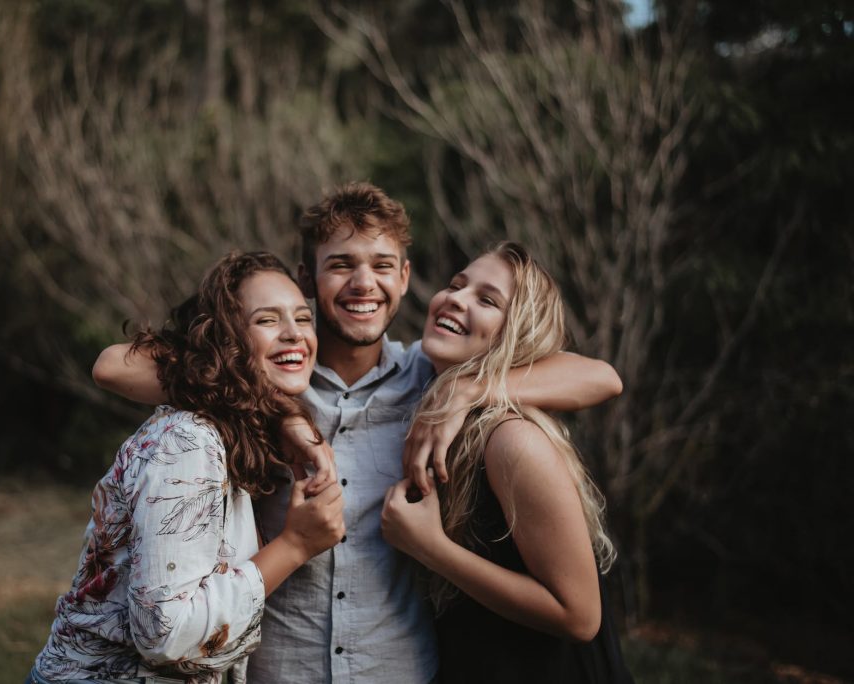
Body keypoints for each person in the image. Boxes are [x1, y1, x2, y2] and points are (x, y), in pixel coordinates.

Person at [93, 182, 623, 683]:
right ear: (307, 278)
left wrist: (469, 391)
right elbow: (114, 366)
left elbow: (601, 376)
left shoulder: (429, 376)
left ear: (405, 277)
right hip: (279, 671)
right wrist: (282, 414)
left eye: (382, 266)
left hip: (399, 669)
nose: (363, 283)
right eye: (341, 264)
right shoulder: (267, 371)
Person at [27, 251, 346, 684]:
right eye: (268, 320)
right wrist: (296, 545)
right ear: (229, 339)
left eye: (303, 318)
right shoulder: (188, 441)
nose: (293, 333)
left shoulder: (235, 432)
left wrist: (283, 416)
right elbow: (166, 637)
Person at [380, 242, 634, 683]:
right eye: (456, 285)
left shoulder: (510, 441)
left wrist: (431, 548)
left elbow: (580, 617)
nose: (456, 298)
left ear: (515, 334)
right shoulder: (422, 391)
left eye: (486, 300)